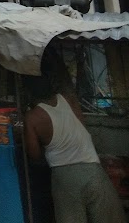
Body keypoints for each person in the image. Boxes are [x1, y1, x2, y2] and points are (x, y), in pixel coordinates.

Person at [24, 53, 125, 223]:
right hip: (93, 170)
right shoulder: (69, 100)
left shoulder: (32, 118)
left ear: (28, 91)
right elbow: (82, 127)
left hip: (65, 176)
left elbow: (34, 155)